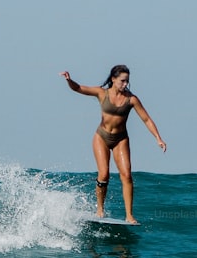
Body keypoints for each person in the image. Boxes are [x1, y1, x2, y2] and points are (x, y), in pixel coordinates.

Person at [60, 65, 166, 224]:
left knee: (127, 175)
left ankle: (129, 215)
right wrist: (69, 80)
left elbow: (146, 119)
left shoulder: (131, 99)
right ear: (113, 79)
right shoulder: (102, 93)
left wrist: (158, 138)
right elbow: (79, 88)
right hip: (101, 137)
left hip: (120, 140)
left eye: (127, 81)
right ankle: (100, 209)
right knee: (104, 175)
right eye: (123, 81)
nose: (125, 84)